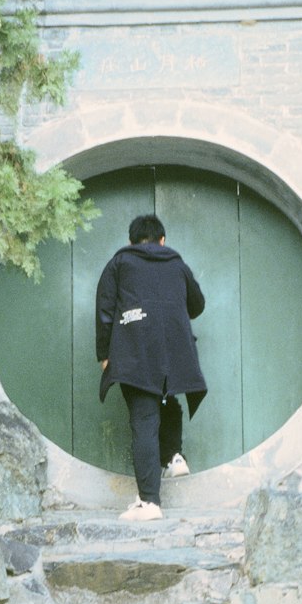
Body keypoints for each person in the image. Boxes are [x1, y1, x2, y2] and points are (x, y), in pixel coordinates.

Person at [96, 213, 207, 521]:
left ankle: (149, 502)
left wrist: (104, 353)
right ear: (162, 240)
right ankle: (173, 457)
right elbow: (197, 305)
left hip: (135, 350)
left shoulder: (120, 263)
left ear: (131, 242)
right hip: (175, 349)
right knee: (166, 397)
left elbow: (105, 310)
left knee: (144, 419)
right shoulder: (177, 265)